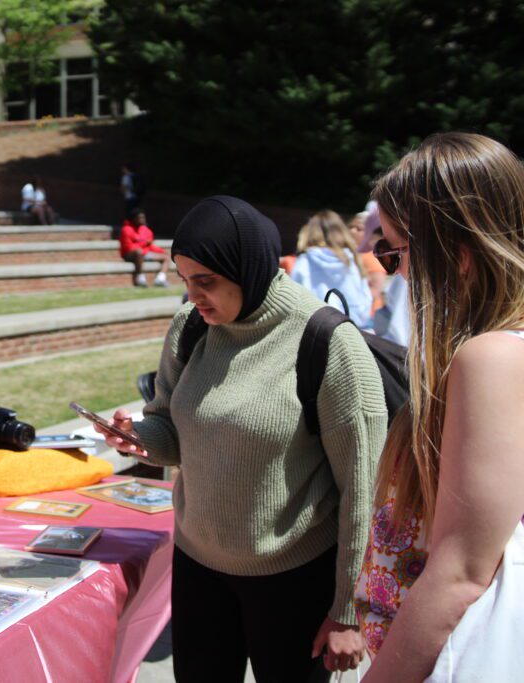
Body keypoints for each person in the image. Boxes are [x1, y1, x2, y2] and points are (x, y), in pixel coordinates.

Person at [96, 196, 386, 682]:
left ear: (248, 268)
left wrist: (349, 610)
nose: (193, 296)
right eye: (185, 280)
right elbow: (170, 427)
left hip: (295, 580)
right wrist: (139, 438)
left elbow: (365, 492)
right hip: (199, 568)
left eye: (206, 281)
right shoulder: (190, 328)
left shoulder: (328, 343)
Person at [354, 132, 524, 680]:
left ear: (460, 253)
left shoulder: (491, 359)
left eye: (395, 250)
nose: (393, 270)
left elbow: (461, 571)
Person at [290, 209, 374, 328]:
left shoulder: (304, 260)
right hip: (352, 329)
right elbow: (364, 301)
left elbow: (293, 302)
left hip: (313, 330)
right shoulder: (352, 259)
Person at [118, 208, 169, 287]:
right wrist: (144, 243)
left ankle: (160, 279)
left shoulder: (146, 230)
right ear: (133, 219)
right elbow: (128, 247)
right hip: (129, 254)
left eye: (143, 217)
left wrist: (161, 251)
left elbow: (150, 245)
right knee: (138, 252)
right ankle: (140, 279)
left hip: (145, 253)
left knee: (166, 257)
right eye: (140, 218)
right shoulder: (126, 230)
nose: (143, 220)